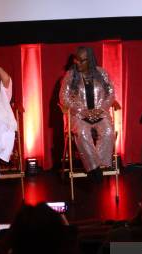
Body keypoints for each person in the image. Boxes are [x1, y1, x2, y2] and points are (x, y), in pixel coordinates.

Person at [59, 46, 116, 179]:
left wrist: (101, 109)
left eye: (82, 60)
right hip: (79, 115)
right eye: (76, 60)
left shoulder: (102, 73)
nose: (77, 63)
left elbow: (111, 94)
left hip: (100, 113)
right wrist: (81, 111)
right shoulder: (70, 76)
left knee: (108, 131)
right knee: (83, 133)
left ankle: (99, 165)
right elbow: (63, 97)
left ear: (90, 61)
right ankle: (94, 169)